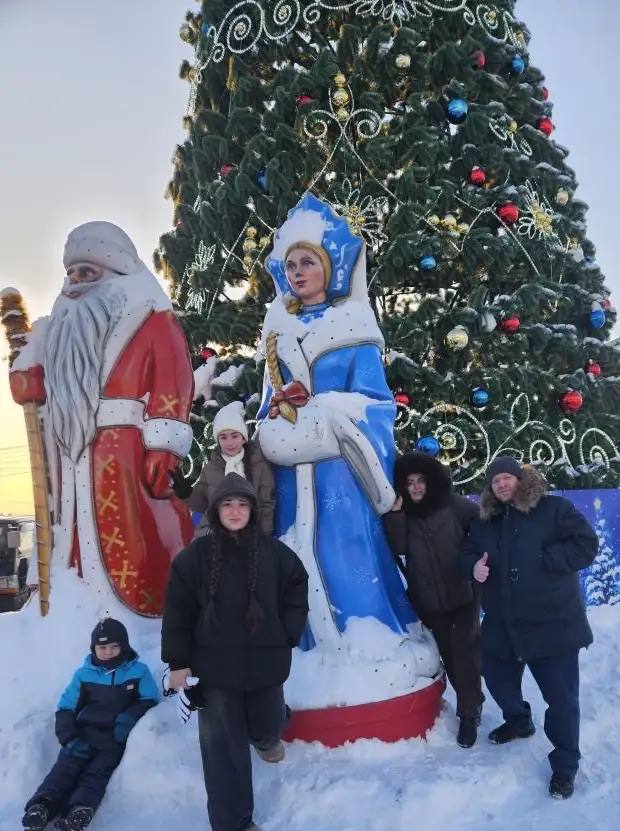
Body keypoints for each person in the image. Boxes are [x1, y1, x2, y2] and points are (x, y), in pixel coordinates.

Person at [254, 193, 438, 683]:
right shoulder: (276, 333)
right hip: (292, 470)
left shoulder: (354, 325)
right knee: (292, 552)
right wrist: (272, 418)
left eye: (307, 261)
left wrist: (327, 412)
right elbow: (264, 401)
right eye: (290, 264)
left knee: (348, 550)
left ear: (329, 266)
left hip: (341, 470)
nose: (298, 271)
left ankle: (370, 632)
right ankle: (305, 648)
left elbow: (377, 405)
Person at [8, 221, 195, 616]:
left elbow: (172, 380)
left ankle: (143, 614)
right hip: (71, 453)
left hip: (126, 449)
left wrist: (163, 445)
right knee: (74, 534)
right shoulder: (61, 330)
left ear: (116, 273)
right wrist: (24, 365)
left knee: (136, 529)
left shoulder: (152, 319)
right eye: (71, 273)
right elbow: (37, 391)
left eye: (87, 272)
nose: (75, 282)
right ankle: (78, 611)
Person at [161, 474, 309, 831]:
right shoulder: (194, 558)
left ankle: (266, 737)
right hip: (214, 669)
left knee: (268, 722)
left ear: (252, 510)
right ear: (216, 510)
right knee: (223, 747)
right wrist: (179, 662)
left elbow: (297, 586)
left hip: (265, 662)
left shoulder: (275, 553)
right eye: (227, 504)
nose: (235, 511)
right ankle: (230, 827)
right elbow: (177, 611)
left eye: (242, 504)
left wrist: (287, 632)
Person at [459, 458, 598, 799]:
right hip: (503, 624)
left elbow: (586, 544)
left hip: (553, 624)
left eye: (507, 478)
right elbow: (466, 553)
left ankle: (565, 766)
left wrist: (547, 561)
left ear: (520, 479)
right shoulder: (485, 522)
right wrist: (472, 566)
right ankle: (520, 722)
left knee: (562, 701)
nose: (502, 485)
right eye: (495, 481)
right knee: (497, 680)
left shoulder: (553, 508)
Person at [21, 618, 159, 831]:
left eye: (114, 646)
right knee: (64, 769)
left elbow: (150, 699)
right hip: (82, 735)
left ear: (124, 646)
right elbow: (65, 707)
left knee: (96, 774)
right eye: (102, 647)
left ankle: (79, 811)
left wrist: (128, 719)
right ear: (94, 648)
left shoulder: (138, 672)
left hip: (113, 739)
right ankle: (42, 807)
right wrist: (69, 738)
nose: (108, 652)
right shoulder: (83, 674)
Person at [383, 453, 483, 748]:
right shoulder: (404, 514)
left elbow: (480, 525)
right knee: (449, 655)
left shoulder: (452, 504)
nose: (415, 487)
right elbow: (398, 546)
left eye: (420, 481)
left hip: (463, 591)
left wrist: (470, 557)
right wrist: (397, 515)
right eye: (409, 482)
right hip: (429, 598)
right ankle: (471, 700)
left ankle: (469, 712)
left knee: (464, 649)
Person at [180, 400, 275, 535]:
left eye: (234, 436)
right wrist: (186, 493)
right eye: (223, 437)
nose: (229, 442)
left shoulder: (258, 465)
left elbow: (266, 505)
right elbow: (200, 503)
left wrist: (264, 539)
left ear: (243, 438)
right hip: (214, 535)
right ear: (218, 440)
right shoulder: (212, 467)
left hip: (249, 537)